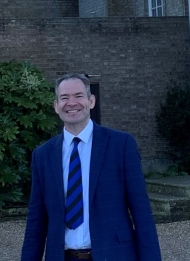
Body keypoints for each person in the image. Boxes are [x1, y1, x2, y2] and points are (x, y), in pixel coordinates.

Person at [21, 74, 162, 261]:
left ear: (91, 101)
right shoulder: (43, 155)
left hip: (114, 255)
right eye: (64, 97)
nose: (72, 103)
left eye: (78, 96)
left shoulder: (121, 145)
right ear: (56, 106)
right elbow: (35, 223)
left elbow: (141, 212)